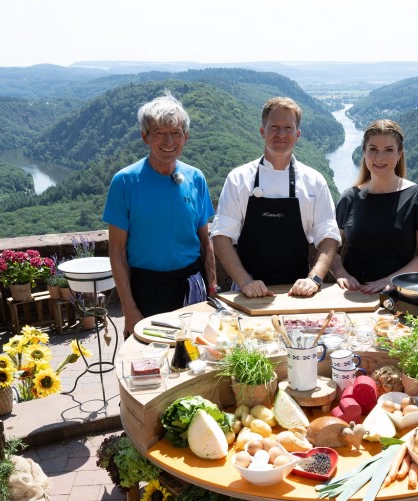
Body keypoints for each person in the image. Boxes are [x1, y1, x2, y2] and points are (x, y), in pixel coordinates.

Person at [103, 91, 216, 335]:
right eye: (159, 133)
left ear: (185, 137)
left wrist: (213, 288)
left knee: (196, 360)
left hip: (192, 286)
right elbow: (117, 251)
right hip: (146, 289)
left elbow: (205, 241)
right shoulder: (125, 181)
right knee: (148, 364)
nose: (169, 141)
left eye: (175, 133)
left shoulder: (196, 178)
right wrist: (129, 310)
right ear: (145, 137)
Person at [211, 97, 340, 298]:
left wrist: (313, 279)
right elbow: (220, 237)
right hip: (249, 292)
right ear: (262, 131)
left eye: (288, 128)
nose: (281, 134)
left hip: (298, 292)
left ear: (297, 134)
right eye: (274, 127)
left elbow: (329, 237)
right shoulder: (238, 179)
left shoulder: (314, 181)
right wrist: (245, 281)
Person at [329, 119, 418, 294]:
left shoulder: (417, 196)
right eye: (373, 149)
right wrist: (341, 273)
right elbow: (329, 248)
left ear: (399, 153)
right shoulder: (349, 198)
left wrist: (392, 281)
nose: (379, 158)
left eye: (388, 150)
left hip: (398, 295)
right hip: (352, 294)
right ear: (364, 152)